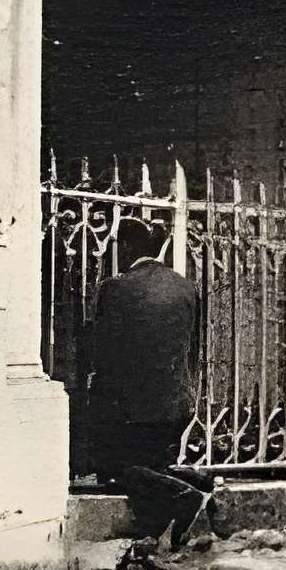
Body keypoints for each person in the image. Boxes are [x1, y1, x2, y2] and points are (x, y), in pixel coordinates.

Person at [83, 217, 217, 552]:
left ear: (127, 248)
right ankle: (202, 482)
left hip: (131, 407)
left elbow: (104, 353)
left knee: (117, 467)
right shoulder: (185, 287)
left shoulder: (115, 289)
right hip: (175, 401)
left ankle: (184, 496)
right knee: (155, 462)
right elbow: (194, 347)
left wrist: (96, 400)